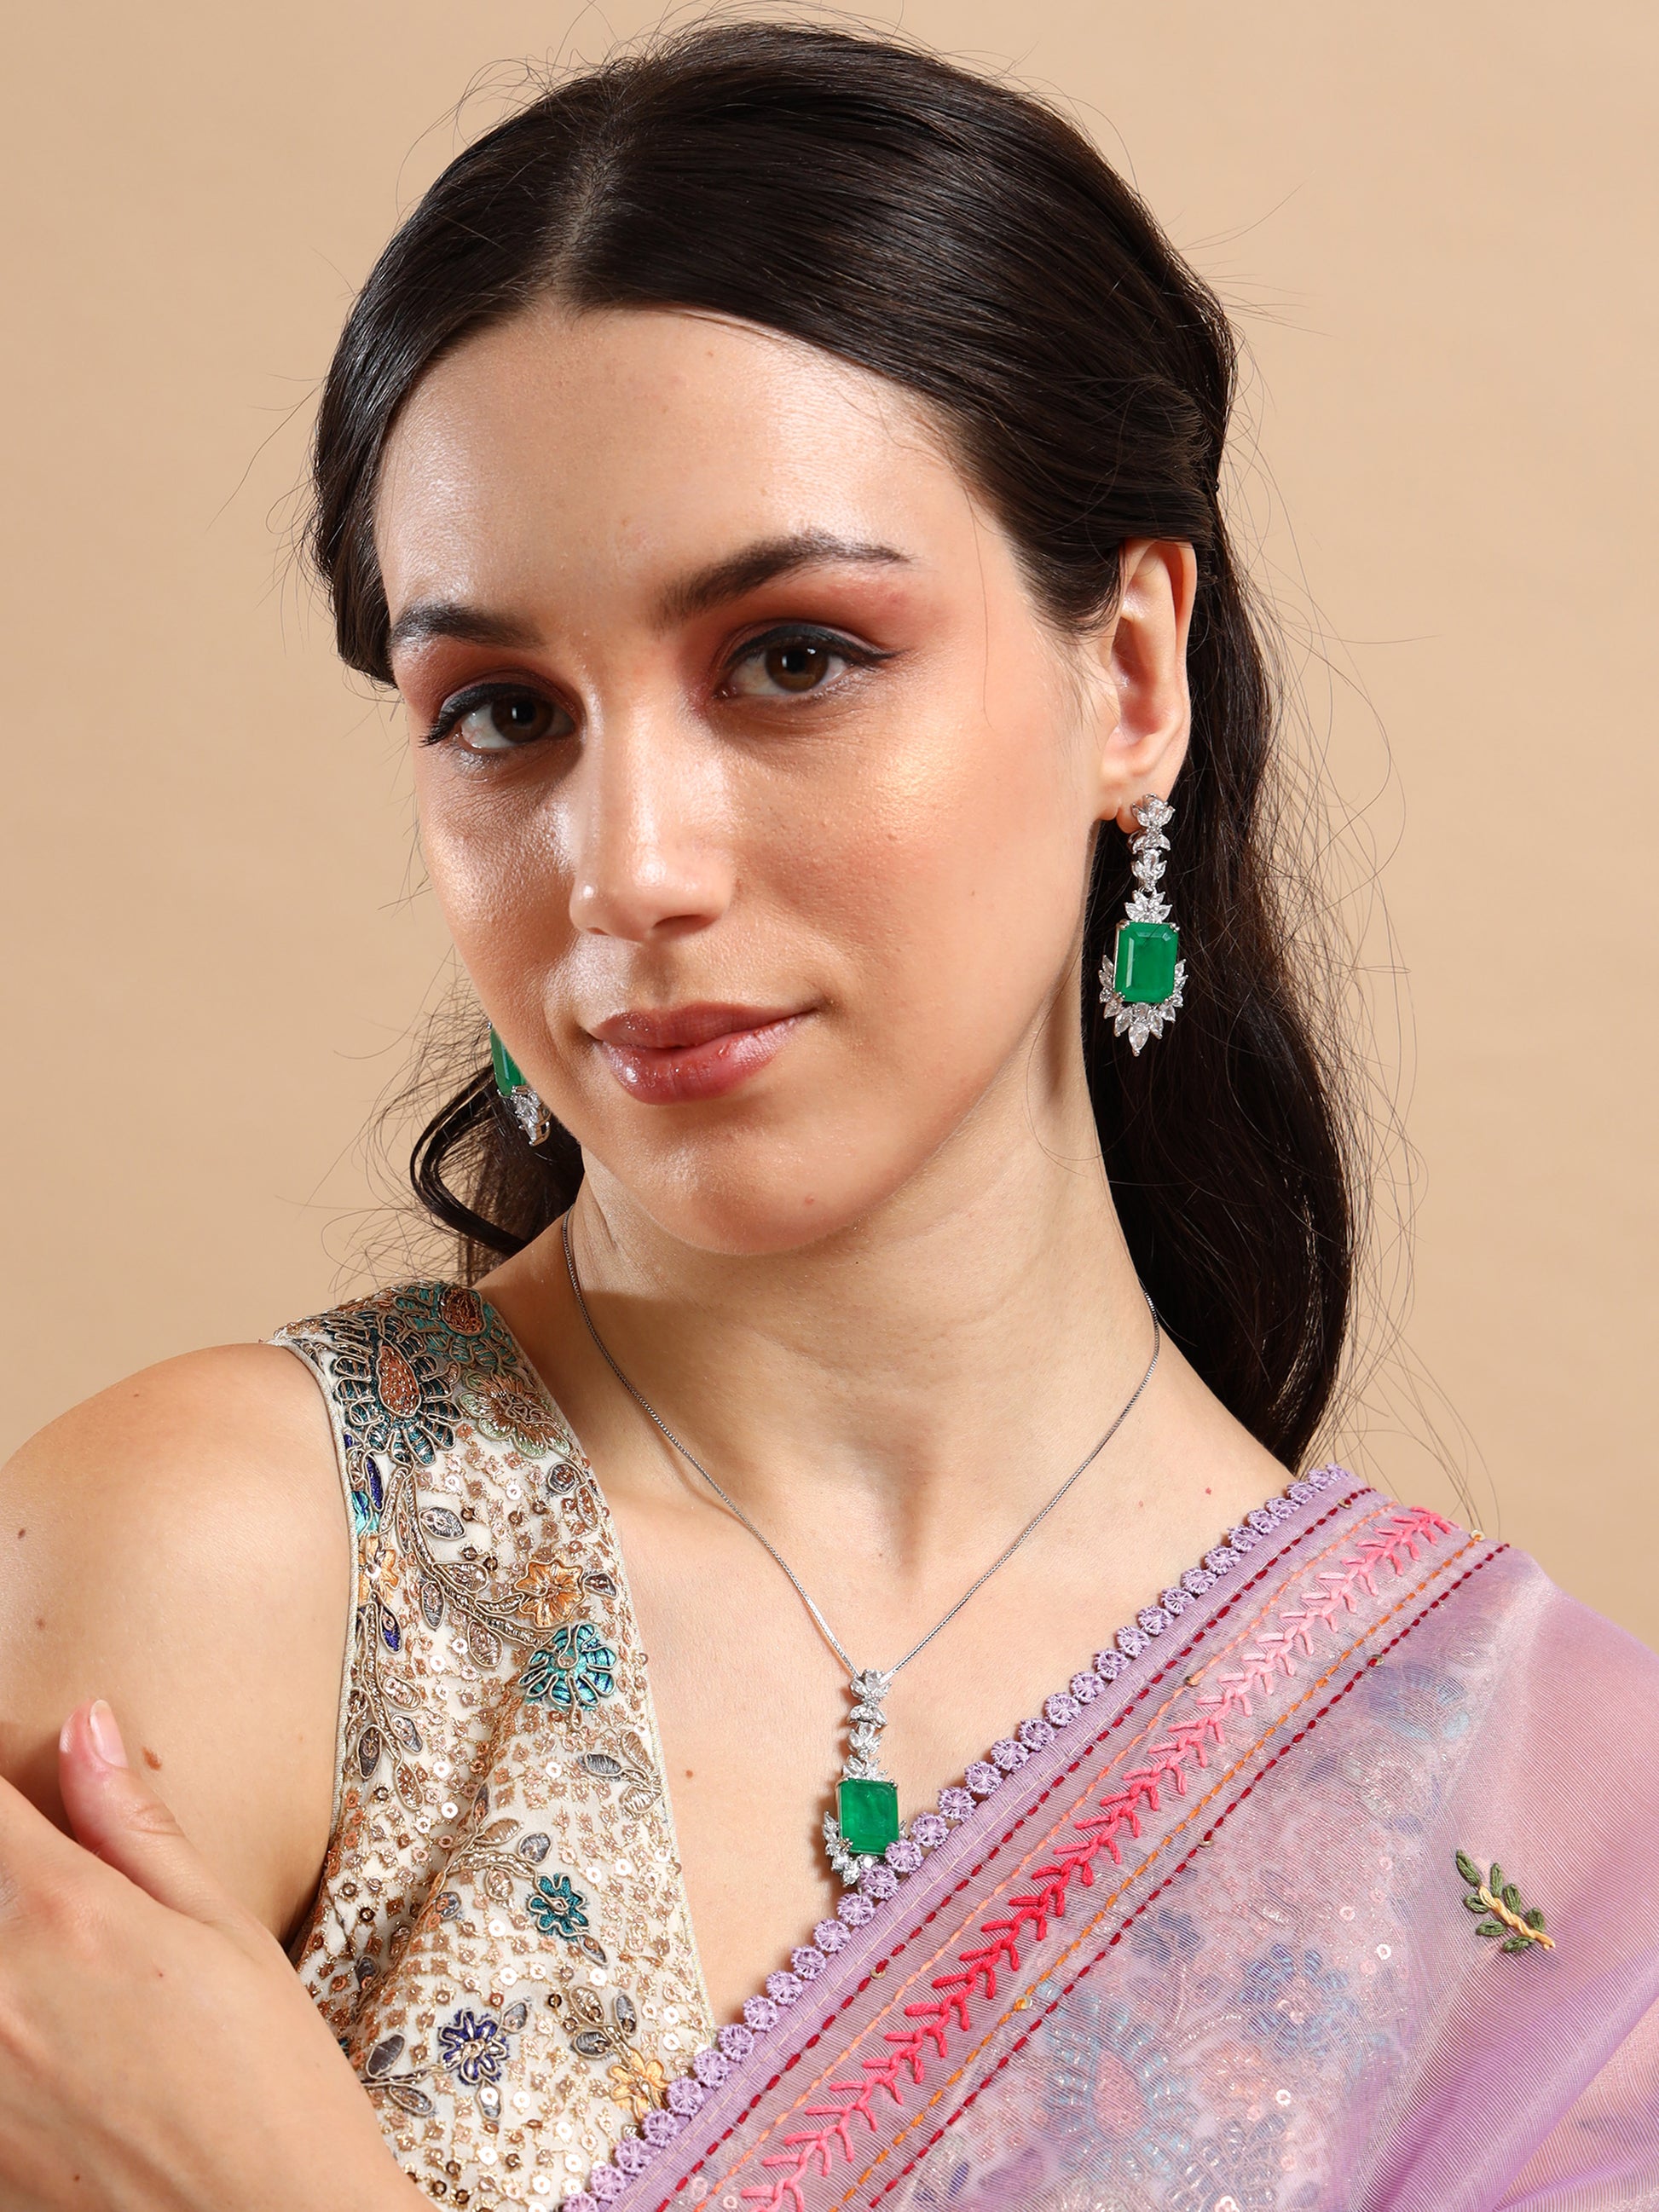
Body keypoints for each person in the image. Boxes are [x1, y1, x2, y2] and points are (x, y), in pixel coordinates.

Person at [2, 20, 1655, 2210]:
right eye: (499, 711)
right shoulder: (226, 1569)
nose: (625, 866)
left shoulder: (1523, 1834)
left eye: (792, 656)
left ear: (1128, 676)